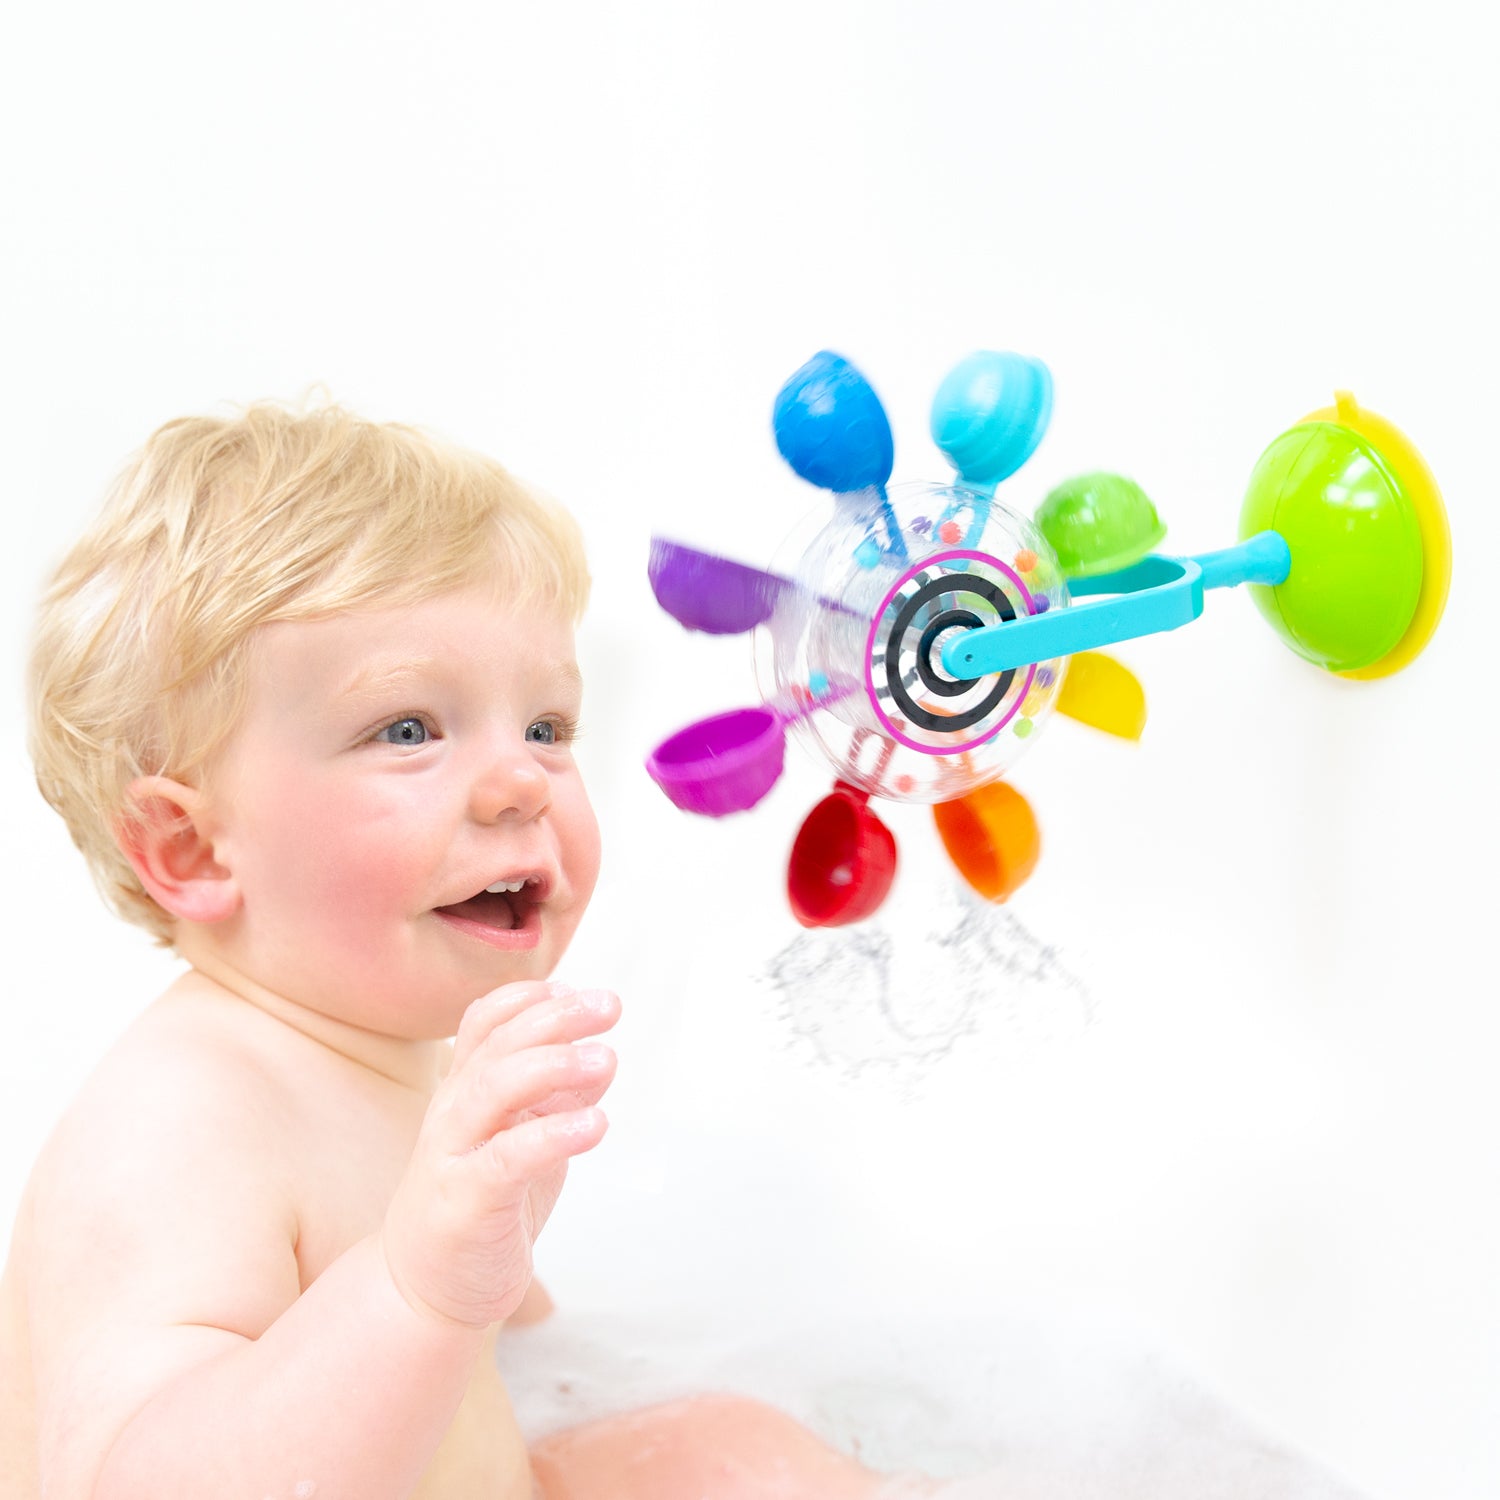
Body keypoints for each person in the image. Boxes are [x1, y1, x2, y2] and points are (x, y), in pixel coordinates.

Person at [0, 401, 933, 1499]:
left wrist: (487, 1299)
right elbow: (134, 1477)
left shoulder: (403, 1065)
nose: (522, 781)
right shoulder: (182, 1125)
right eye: (408, 730)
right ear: (192, 848)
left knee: (735, 1455)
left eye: (545, 727)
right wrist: (417, 1290)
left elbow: (525, 1369)